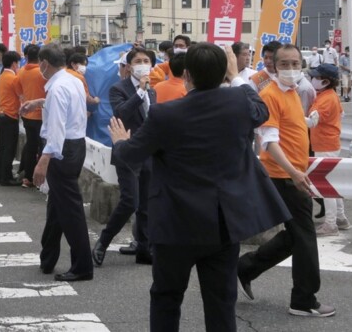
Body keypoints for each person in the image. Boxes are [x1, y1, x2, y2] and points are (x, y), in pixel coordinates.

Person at [108, 43, 290, 332]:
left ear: (187, 75)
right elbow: (260, 108)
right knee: (220, 302)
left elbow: (129, 156)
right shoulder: (240, 104)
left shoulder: (164, 115)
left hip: (174, 223)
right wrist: (236, 76)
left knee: (167, 298)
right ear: (223, 74)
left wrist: (119, 142)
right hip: (222, 222)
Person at [238, 44, 336, 318]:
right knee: (305, 236)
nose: (291, 69)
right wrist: (293, 172)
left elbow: (289, 123)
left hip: (292, 173)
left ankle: (245, 267)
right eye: (285, 64)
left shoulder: (292, 92)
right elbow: (268, 141)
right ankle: (304, 300)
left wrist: (308, 122)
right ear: (273, 66)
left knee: (296, 236)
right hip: (284, 176)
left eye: (295, 63)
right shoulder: (270, 95)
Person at [20, 44, 93, 282]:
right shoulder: (71, 80)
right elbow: (66, 108)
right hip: (74, 146)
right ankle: (48, 257)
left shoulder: (59, 86)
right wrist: (38, 103)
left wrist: (43, 160)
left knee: (70, 210)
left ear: (44, 63)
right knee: (57, 206)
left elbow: (57, 128)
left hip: (61, 150)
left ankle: (82, 266)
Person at [92, 47, 156, 268]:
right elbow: (121, 113)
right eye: (138, 60)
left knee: (147, 204)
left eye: (146, 60)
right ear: (128, 66)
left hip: (149, 152)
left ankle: (144, 248)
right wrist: (139, 91)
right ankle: (103, 241)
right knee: (131, 201)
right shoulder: (118, 88)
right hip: (127, 152)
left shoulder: (153, 91)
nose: (142, 63)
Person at [307, 64, 350, 236]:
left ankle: (331, 224)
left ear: (325, 81)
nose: (312, 80)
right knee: (332, 183)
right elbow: (341, 114)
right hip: (329, 144)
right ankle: (340, 218)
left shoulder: (326, 99)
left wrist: (290, 117)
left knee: (325, 187)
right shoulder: (328, 95)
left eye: (316, 77)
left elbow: (311, 122)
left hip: (325, 145)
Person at [14, 44, 47, 188]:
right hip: (42, 115)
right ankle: (38, 178)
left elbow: (18, 90)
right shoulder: (43, 73)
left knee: (31, 145)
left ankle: (27, 177)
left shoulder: (21, 72)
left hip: (27, 115)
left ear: (26, 56)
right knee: (42, 147)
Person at [0, 51, 22, 186]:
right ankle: (6, 177)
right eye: (18, 62)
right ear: (14, 63)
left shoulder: (2, 77)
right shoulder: (14, 79)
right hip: (10, 115)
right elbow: (21, 97)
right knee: (9, 149)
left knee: (2, 147)